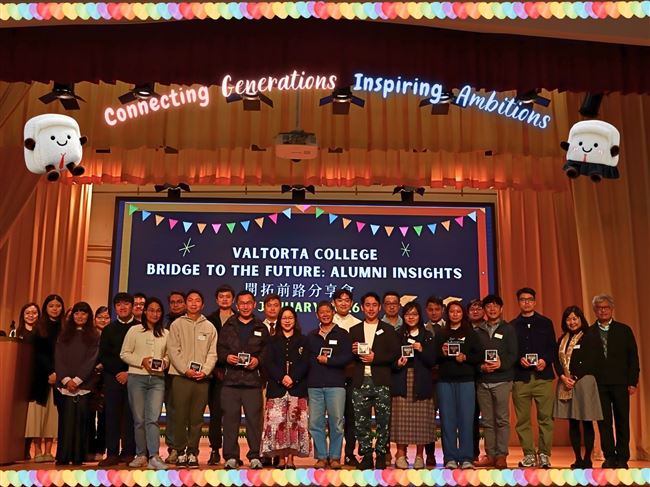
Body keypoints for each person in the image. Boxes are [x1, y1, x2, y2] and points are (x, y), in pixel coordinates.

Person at [218, 290, 268, 469]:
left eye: (249, 303)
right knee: (230, 421)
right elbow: (220, 349)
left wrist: (258, 360)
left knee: (254, 422)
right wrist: (227, 357)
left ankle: (255, 456)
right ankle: (231, 457)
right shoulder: (228, 325)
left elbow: (266, 352)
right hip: (230, 382)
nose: (245, 306)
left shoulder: (261, 327)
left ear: (254, 305)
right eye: (242, 303)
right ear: (237, 305)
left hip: (252, 382)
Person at [350, 292, 400, 470]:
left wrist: (375, 358)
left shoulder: (388, 329)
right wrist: (353, 351)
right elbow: (348, 357)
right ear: (361, 307)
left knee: (383, 421)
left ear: (379, 308)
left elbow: (394, 354)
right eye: (367, 305)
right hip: (360, 381)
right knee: (361, 421)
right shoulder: (354, 330)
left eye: (374, 305)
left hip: (381, 381)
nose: (371, 308)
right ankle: (365, 455)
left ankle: (380, 454)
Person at [167, 289, 217, 468]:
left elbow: (212, 353)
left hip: (202, 379)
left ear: (203, 305)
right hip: (181, 377)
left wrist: (205, 371)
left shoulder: (209, 327)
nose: (194, 303)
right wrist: (185, 370)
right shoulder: (177, 325)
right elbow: (173, 350)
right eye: (190, 300)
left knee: (197, 418)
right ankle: (180, 451)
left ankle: (192, 452)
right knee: (179, 417)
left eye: (197, 300)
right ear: (185, 303)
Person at [589, 294, 639, 469]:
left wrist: (632, 381)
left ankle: (623, 456)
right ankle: (609, 455)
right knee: (604, 422)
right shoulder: (589, 332)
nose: (603, 311)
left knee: (622, 420)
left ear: (612, 309)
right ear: (595, 311)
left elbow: (633, 358)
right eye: (599, 308)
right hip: (599, 384)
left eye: (606, 307)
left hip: (621, 383)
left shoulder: (624, 330)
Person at [120, 297, 170, 470]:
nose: (155, 314)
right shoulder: (134, 330)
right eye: (151, 310)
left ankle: (154, 456)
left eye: (158, 311)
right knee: (139, 419)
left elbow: (168, 356)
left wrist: (164, 363)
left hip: (157, 380)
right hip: (137, 378)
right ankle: (141, 454)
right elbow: (124, 354)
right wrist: (141, 361)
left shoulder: (166, 333)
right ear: (145, 311)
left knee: (153, 419)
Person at [511, 288, 557, 468]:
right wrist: (518, 359)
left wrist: (545, 360)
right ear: (518, 302)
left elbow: (553, 348)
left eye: (529, 299)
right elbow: (509, 351)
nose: (526, 302)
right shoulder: (512, 325)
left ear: (535, 302)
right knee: (522, 420)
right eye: (523, 299)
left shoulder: (546, 323)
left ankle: (544, 454)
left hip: (542, 378)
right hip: (521, 378)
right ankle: (529, 454)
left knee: (546, 418)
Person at [435, 300, 483, 470]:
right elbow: (432, 357)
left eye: (458, 311)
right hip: (445, 381)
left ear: (463, 314)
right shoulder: (441, 333)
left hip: (466, 381)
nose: (455, 314)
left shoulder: (471, 333)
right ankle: (450, 457)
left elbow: (479, 356)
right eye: (452, 311)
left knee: (466, 420)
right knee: (447, 420)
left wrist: (466, 358)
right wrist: (442, 353)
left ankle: (466, 457)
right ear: (447, 314)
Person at [261, 306, 311, 467]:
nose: (287, 321)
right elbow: (269, 362)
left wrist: (293, 378)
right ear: (279, 321)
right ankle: (281, 459)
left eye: (290, 318)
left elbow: (305, 362)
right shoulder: (272, 340)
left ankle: (291, 459)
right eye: (284, 318)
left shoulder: (303, 340)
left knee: (294, 424)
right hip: (277, 388)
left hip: (297, 388)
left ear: (295, 320)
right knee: (278, 425)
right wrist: (282, 377)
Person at [553, 306, 603, 469]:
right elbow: (556, 360)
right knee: (573, 422)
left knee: (587, 421)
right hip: (566, 383)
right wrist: (562, 377)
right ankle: (577, 458)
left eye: (575, 318)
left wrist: (574, 377)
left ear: (581, 319)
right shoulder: (562, 339)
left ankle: (587, 458)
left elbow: (593, 360)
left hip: (584, 382)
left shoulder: (590, 336)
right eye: (568, 319)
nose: (572, 322)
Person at [305, 301, 353, 469]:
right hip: (315, 385)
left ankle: (334, 457)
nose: (325, 314)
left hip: (336, 385)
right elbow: (306, 360)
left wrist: (329, 361)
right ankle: (321, 456)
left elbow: (348, 357)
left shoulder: (343, 334)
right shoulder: (311, 336)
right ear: (317, 315)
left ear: (333, 313)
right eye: (321, 312)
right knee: (315, 423)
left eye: (328, 311)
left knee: (337, 423)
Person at [390, 301, 436, 469]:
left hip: (421, 380)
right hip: (402, 379)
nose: (411, 317)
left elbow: (432, 360)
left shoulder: (427, 335)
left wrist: (421, 349)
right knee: (401, 419)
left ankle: (419, 456)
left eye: (414, 314)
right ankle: (401, 455)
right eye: (408, 314)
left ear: (419, 316)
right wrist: (398, 363)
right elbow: (390, 359)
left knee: (421, 421)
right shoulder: (397, 334)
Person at [474, 295, 517, 469]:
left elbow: (513, 354)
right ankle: (490, 455)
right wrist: (481, 367)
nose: (492, 309)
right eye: (488, 306)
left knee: (502, 420)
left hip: (502, 381)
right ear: (484, 310)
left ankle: (501, 455)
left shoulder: (509, 329)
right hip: (483, 382)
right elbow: (474, 355)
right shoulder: (478, 331)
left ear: (501, 309)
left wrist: (501, 364)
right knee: (487, 421)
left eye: (495, 306)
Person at [54, 302, 100, 465]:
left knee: (81, 422)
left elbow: (91, 360)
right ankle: (63, 456)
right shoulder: (63, 335)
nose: (80, 316)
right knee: (65, 422)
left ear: (89, 316)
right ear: (72, 316)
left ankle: (78, 456)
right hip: (65, 385)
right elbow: (58, 358)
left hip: (84, 386)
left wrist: (78, 379)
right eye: (77, 313)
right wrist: (66, 380)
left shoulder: (94, 336)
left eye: (83, 313)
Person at [98, 292, 137, 467]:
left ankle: (128, 452)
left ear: (132, 306)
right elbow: (104, 355)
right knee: (112, 416)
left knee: (131, 416)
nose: (122, 307)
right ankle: (112, 453)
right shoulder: (108, 329)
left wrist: (128, 372)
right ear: (115, 308)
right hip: (112, 378)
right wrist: (118, 372)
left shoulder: (139, 328)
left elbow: (141, 353)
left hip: (134, 377)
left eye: (126, 304)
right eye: (119, 304)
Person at [28, 294, 65, 463]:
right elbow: (38, 353)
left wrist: (58, 372)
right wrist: (50, 371)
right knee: (37, 415)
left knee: (52, 415)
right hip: (40, 376)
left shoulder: (65, 327)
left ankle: (49, 451)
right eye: (51, 306)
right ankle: (37, 450)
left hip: (60, 376)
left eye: (58, 306)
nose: (55, 309)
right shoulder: (38, 327)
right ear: (45, 308)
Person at [205, 284, 235, 466]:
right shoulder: (209, 320)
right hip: (215, 374)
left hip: (236, 373)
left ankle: (232, 453)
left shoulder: (240, 319)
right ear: (216, 300)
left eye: (228, 296)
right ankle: (215, 449)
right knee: (215, 414)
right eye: (221, 296)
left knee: (233, 415)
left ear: (233, 299)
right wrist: (214, 368)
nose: (224, 299)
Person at [332, 289, 361, 467]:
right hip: (331, 376)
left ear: (351, 303)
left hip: (351, 376)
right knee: (334, 418)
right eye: (340, 300)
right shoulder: (327, 322)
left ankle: (349, 453)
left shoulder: (357, 324)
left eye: (347, 300)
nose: (343, 303)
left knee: (351, 417)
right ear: (334, 303)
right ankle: (332, 455)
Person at [423, 295, 445, 467]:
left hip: (447, 378)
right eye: (430, 309)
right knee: (429, 419)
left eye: (437, 309)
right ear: (426, 311)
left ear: (442, 310)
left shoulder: (450, 329)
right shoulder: (423, 330)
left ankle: (449, 454)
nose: (434, 312)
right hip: (429, 379)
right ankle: (429, 455)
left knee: (448, 418)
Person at [164, 290, 185, 463]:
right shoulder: (164, 324)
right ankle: (173, 448)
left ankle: (187, 450)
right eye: (172, 302)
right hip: (168, 375)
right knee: (172, 412)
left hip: (189, 374)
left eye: (179, 302)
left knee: (188, 414)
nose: (176, 305)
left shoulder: (192, 323)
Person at [87, 306, 110, 462]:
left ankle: (101, 449)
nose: (103, 320)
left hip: (106, 379)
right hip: (89, 378)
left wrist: (103, 364)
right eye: (100, 317)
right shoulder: (89, 335)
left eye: (106, 318)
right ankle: (88, 449)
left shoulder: (112, 334)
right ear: (94, 319)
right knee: (88, 416)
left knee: (104, 417)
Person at [468, 298, 485, 461]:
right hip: (467, 378)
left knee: (482, 418)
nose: (475, 311)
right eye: (472, 309)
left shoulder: (488, 329)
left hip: (486, 377)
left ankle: (482, 453)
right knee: (469, 417)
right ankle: (469, 452)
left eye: (479, 308)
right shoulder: (463, 329)